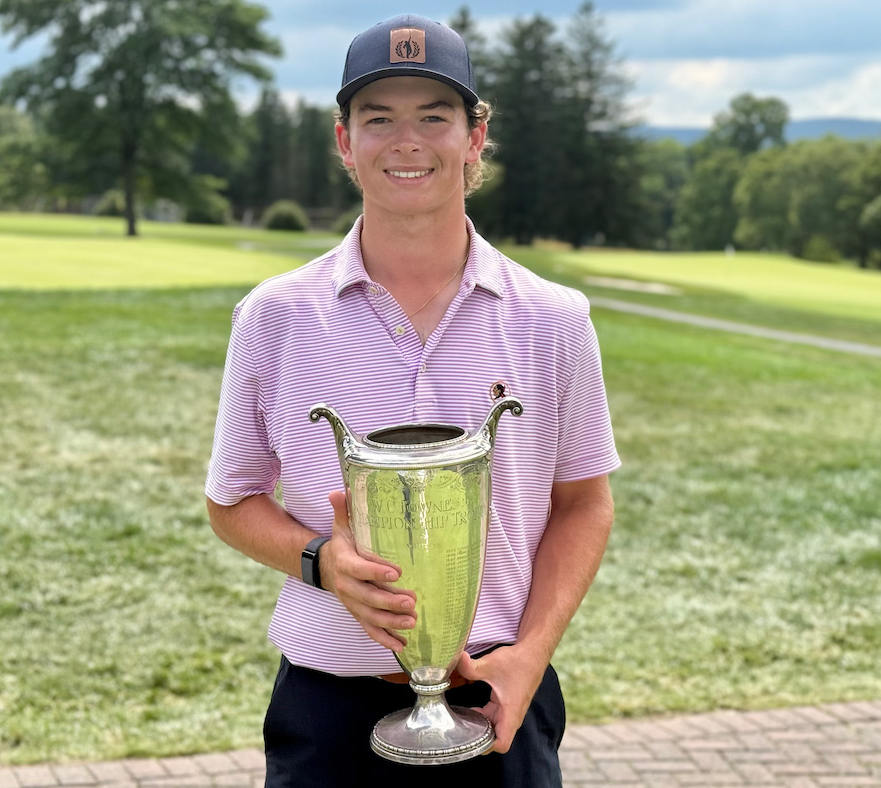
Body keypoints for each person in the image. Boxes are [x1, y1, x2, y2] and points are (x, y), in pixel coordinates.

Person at [205, 13, 619, 788]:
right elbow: (231, 501)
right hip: (327, 711)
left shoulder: (554, 318)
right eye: (379, 118)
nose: (407, 141)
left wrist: (530, 656)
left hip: (499, 700)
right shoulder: (276, 314)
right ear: (343, 141)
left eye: (434, 116)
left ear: (475, 137)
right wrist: (322, 563)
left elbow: (584, 504)